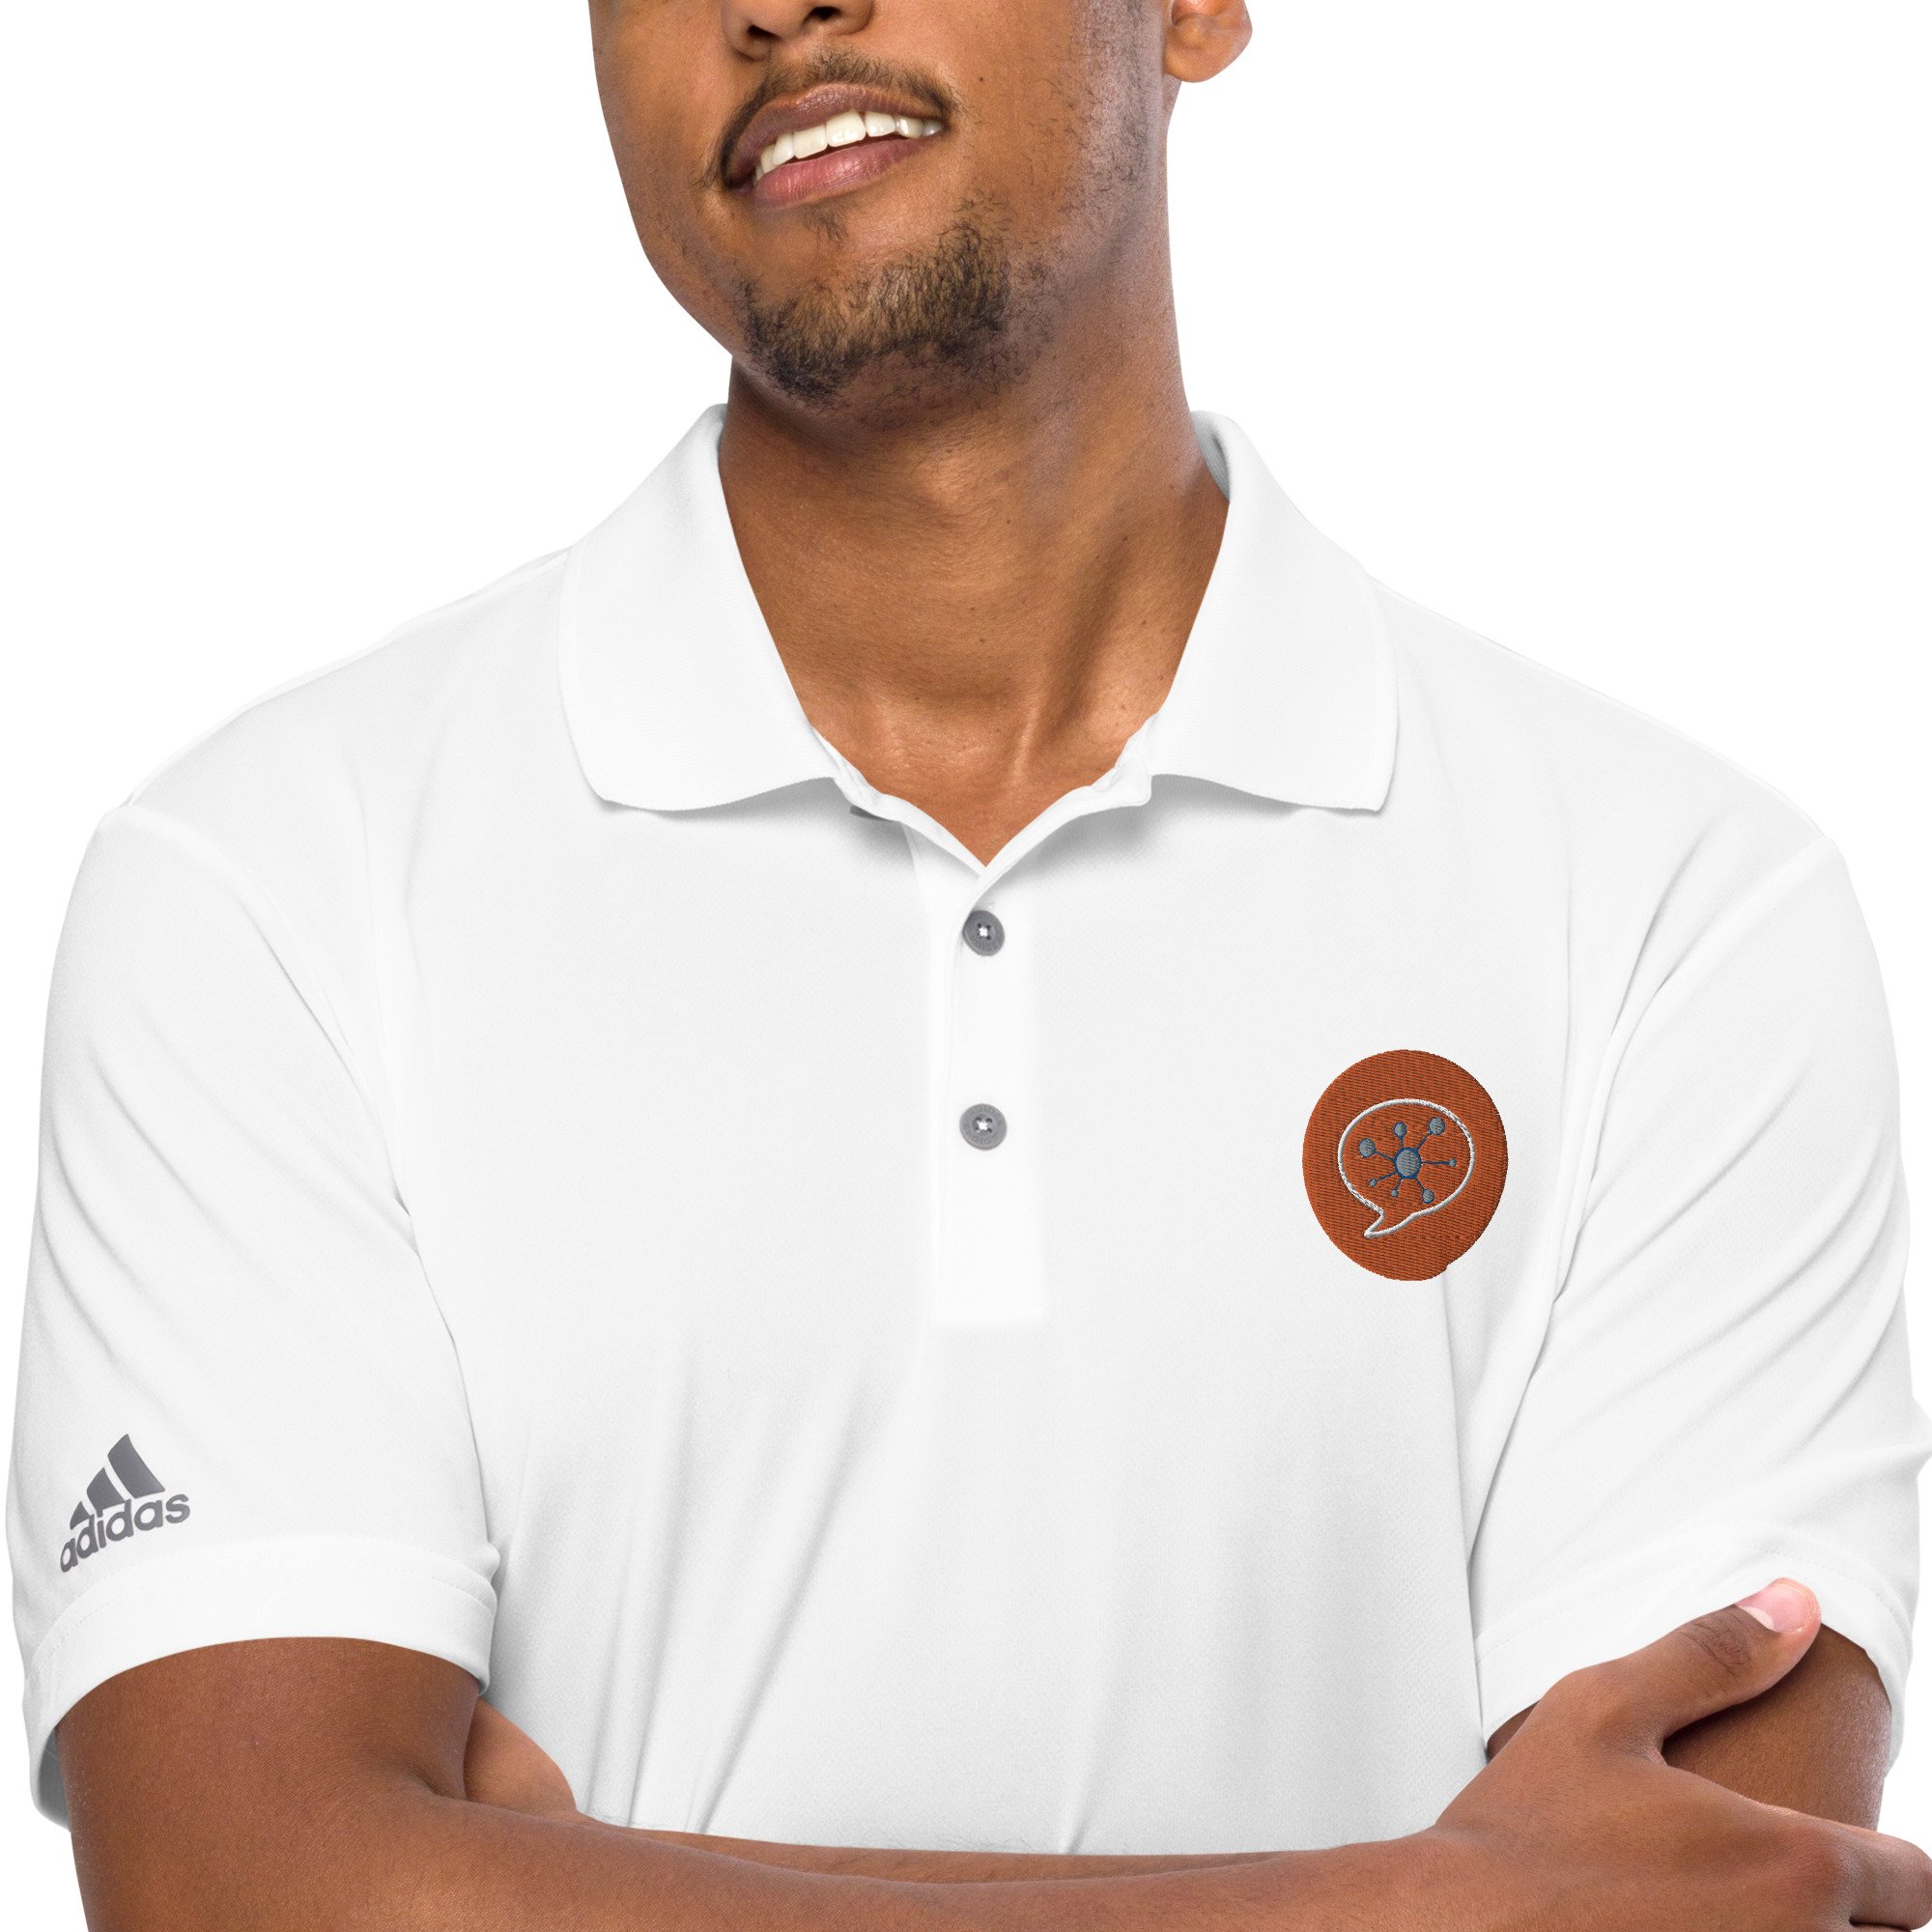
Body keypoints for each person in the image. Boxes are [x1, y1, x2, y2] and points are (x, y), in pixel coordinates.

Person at [8, 2, 1930, 1926]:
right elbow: (238, 1889)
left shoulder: (1673, 912)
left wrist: (528, 1879)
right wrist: (1420, 1901)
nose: (769, 6)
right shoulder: (272, 886)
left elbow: (1695, 1899)